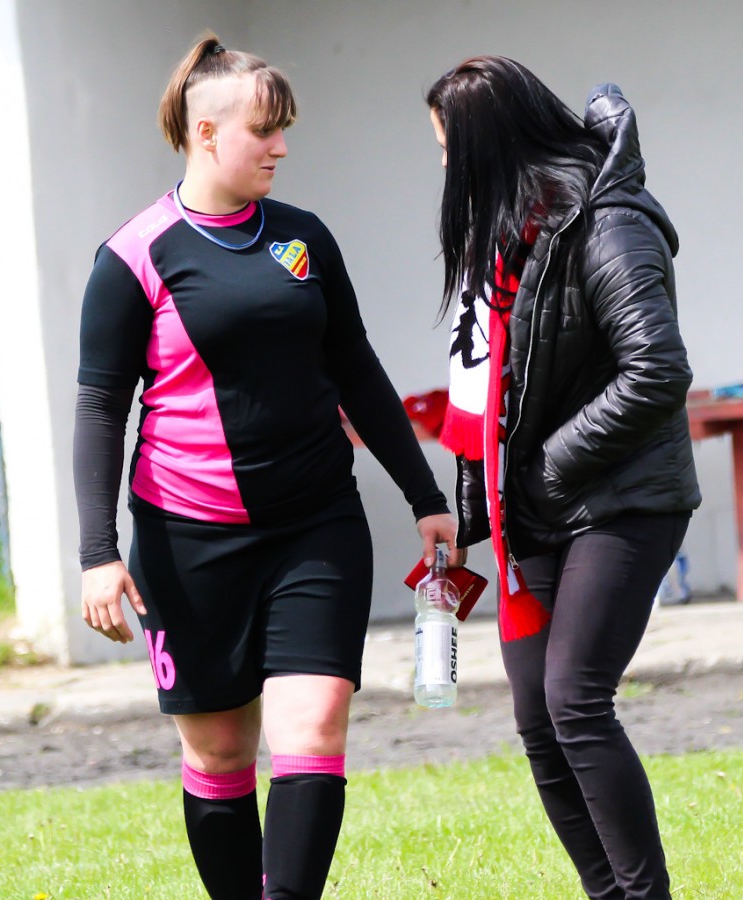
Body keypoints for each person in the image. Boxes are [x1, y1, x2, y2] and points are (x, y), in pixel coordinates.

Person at [73, 33, 457, 899]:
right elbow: (100, 407)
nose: (282, 147)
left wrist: (424, 494)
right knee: (219, 751)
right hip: (186, 540)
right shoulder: (133, 256)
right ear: (206, 133)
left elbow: (356, 368)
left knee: (313, 727)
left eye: (284, 130)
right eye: (264, 130)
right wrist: (98, 552)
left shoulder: (303, 238)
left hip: (315, 525)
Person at [425, 57, 701, 899]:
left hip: (623, 497)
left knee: (575, 700)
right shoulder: (506, 234)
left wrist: (545, 469)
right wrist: (478, 503)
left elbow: (657, 371)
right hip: (537, 507)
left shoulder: (609, 221)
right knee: (537, 721)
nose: (445, 168)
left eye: (449, 150)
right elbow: (492, 387)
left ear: (489, 146)